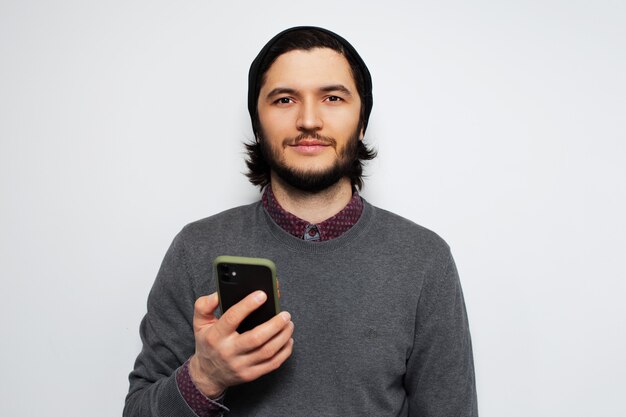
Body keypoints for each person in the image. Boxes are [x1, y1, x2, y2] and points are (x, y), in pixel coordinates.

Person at [124, 26, 478, 417]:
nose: (309, 120)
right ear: (257, 125)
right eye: (285, 99)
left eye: (332, 97)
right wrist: (205, 376)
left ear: (361, 121)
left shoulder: (424, 259)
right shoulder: (195, 249)